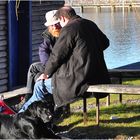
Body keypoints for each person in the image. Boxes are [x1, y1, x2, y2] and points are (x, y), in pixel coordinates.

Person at [19, 6, 111, 113]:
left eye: (59, 22)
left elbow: (57, 55)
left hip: (79, 78)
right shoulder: (90, 23)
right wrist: (88, 52)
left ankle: (21, 116)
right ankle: (45, 116)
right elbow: (105, 42)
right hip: (97, 75)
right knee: (38, 74)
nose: (60, 26)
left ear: (62, 18)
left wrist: (46, 74)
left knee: (40, 86)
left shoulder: (69, 28)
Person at [22, 10, 62, 102]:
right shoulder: (50, 33)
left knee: (36, 75)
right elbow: (43, 49)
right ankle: (28, 99)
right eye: (52, 25)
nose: (55, 26)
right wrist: (48, 65)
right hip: (51, 64)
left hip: (61, 67)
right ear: (49, 26)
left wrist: (48, 71)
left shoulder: (66, 33)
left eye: (57, 24)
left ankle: (30, 102)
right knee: (34, 70)